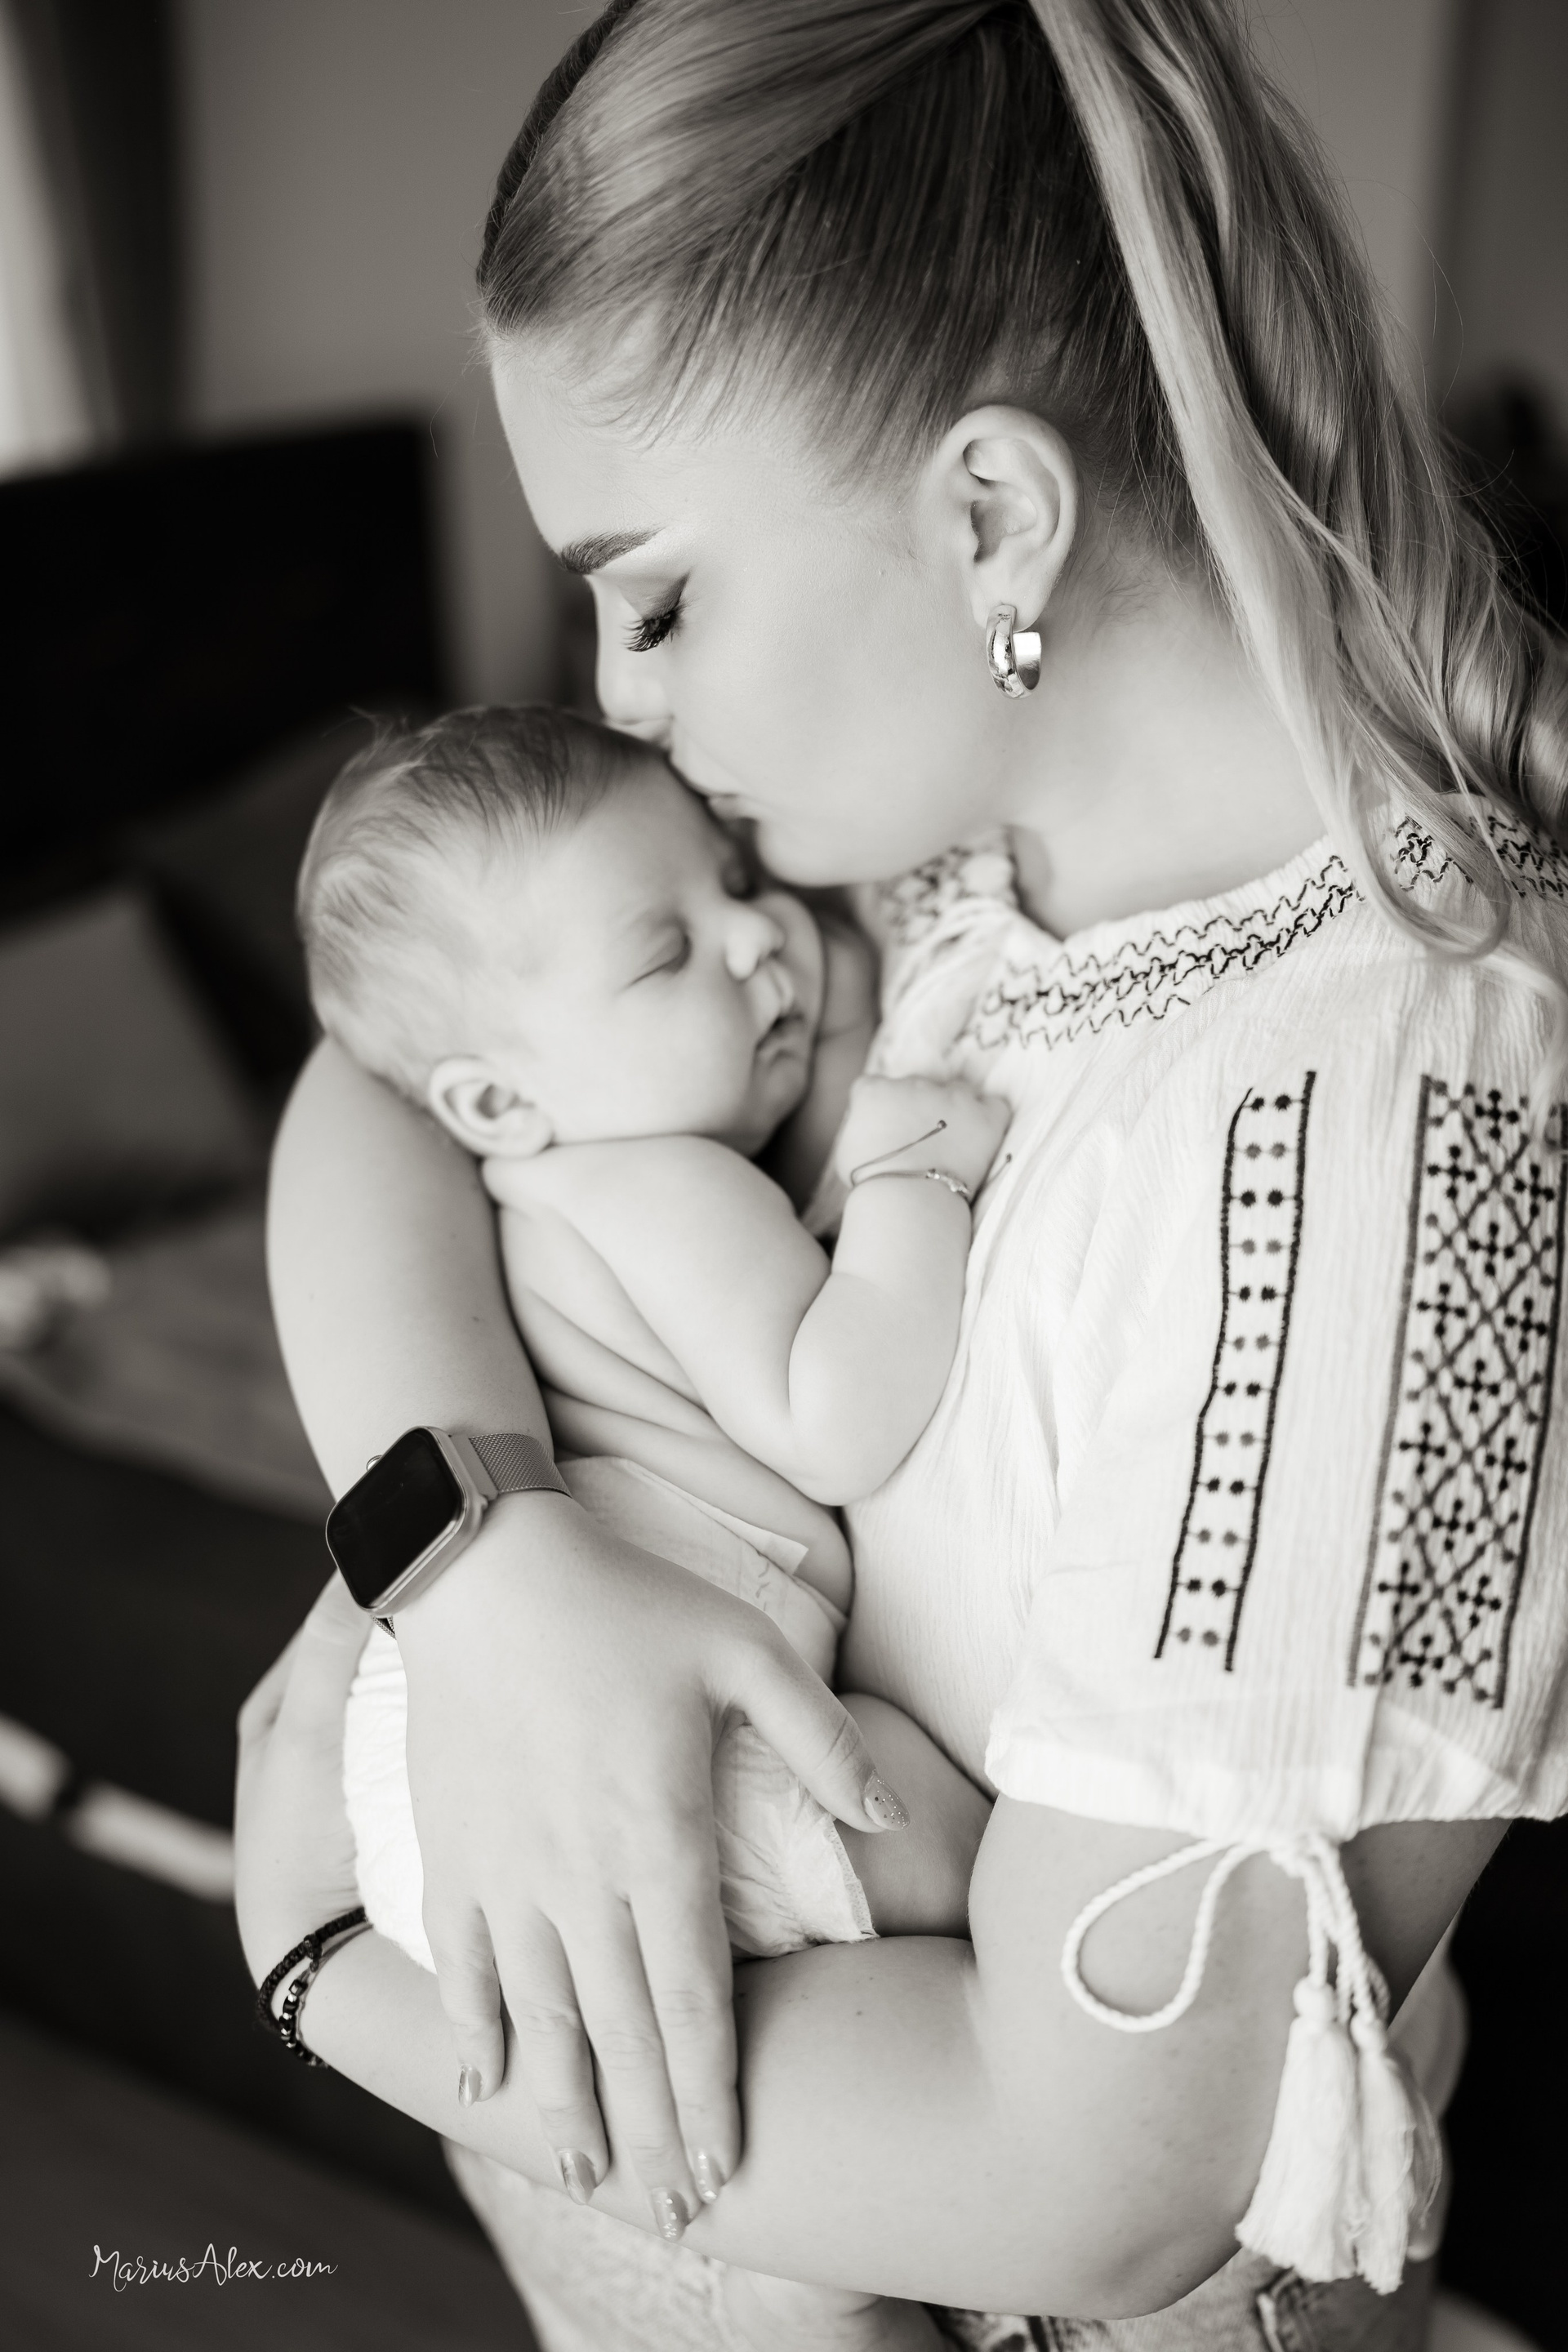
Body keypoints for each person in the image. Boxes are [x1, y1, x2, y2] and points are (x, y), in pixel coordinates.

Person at [241, 3, 1568, 2347]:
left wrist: (330, 1956)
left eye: (658, 593)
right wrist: (481, 1561)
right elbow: (390, 1080)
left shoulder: (1394, 1131)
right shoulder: (956, 879)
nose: (617, 693)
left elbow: (1090, 2184)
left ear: (989, 520)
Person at [300, 699, 1002, 2349]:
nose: (762, 937)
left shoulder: (542, 1191)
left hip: (454, 1750)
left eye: (736, 881)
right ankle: (812, 2272)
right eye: (667, 950)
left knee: (722, 2032)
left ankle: (799, 2283)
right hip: (656, 1741)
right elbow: (838, 1405)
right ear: (494, 1101)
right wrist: (915, 1177)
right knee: (955, 1848)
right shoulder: (657, 1182)